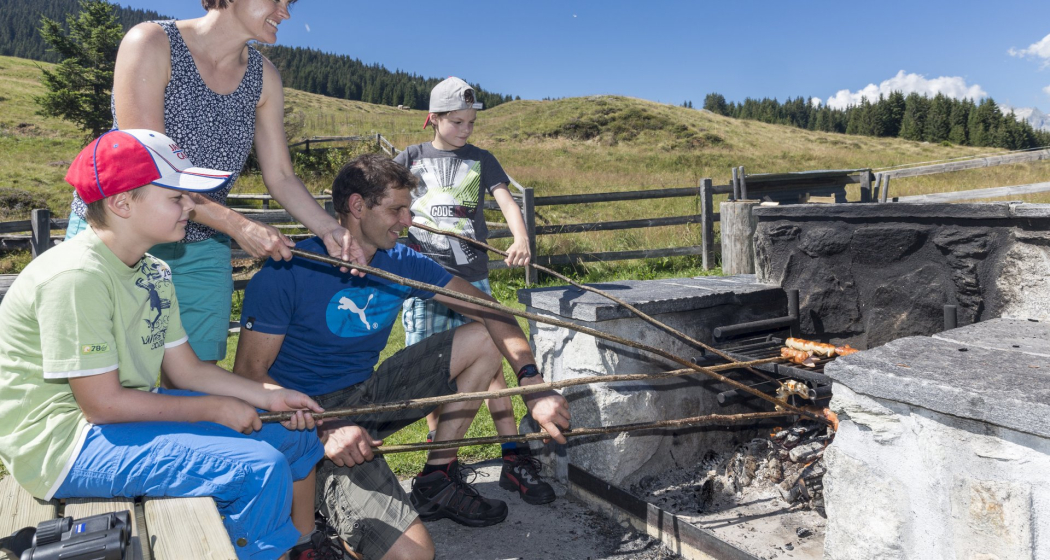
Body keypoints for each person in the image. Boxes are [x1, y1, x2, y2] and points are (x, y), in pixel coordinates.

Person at [0, 130, 334, 560]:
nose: (191, 208)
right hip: (62, 444)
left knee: (294, 440)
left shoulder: (153, 270)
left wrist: (272, 395)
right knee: (257, 468)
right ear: (123, 203)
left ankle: (298, 546)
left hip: (117, 419)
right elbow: (102, 405)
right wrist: (211, 408)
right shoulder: (76, 276)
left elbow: (189, 371)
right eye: (176, 198)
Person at [233, 154, 571, 560]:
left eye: (408, 209)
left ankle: (437, 477)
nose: (407, 220)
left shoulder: (400, 262)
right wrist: (324, 431)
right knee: (413, 556)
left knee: (483, 335)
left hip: (368, 394)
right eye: (396, 209)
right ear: (357, 207)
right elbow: (250, 376)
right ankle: (313, 511)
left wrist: (532, 383)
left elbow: (491, 311)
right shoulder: (287, 272)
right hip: (303, 422)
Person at [64, 0, 363, 364]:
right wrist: (237, 224)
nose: (285, 13)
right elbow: (148, 165)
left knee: (197, 376)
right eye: (277, 0)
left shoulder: (264, 76)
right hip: (122, 231)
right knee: (99, 369)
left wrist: (330, 229)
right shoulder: (151, 42)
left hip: (201, 244)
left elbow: (281, 175)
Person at [393, 77, 554, 506]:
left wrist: (520, 238)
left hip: (473, 275)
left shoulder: (481, 160)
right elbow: (387, 200)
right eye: (458, 121)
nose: (466, 129)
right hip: (423, 279)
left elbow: (505, 200)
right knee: (431, 368)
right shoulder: (410, 157)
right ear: (434, 119)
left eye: (471, 122)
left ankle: (512, 455)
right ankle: (439, 456)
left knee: (492, 366)